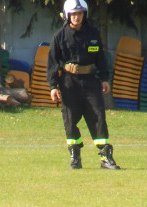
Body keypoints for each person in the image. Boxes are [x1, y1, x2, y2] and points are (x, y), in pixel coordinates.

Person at [47, 0, 120, 170]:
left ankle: (105, 157)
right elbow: (52, 64)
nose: (77, 17)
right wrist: (52, 87)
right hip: (69, 83)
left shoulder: (93, 34)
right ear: (67, 15)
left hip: (90, 83)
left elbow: (101, 58)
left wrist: (104, 78)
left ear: (84, 15)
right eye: (73, 14)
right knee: (70, 120)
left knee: (98, 117)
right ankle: (75, 155)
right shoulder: (59, 37)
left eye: (79, 14)